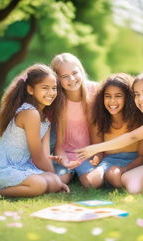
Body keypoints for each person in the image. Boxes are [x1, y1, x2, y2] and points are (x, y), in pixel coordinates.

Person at [0, 64, 70, 198]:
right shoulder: (29, 113)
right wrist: (53, 177)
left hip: (20, 165)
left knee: (54, 183)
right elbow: (37, 156)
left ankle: (40, 182)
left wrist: (55, 180)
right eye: (45, 88)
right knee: (40, 185)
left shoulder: (46, 121)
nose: (51, 93)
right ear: (30, 89)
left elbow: (45, 155)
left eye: (54, 88)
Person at [50, 52, 102, 188]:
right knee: (59, 181)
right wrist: (65, 161)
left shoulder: (95, 90)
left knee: (92, 183)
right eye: (64, 76)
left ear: (81, 71)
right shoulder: (58, 101)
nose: (71, 79)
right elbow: (59, 145)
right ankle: (70, 173)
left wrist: (98, 155)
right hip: (66, 154)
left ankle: (78, 173)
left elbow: (99, 132)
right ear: (57, 80)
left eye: (75, 73)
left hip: (90, 153)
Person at [89, 73, 143, 188]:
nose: (112, 101)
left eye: (118, 96)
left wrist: (124, 169)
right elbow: (99, 150)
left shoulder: (140, 121)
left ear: (128, 98)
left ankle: (122, 184)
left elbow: (142, 157)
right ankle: (112, 181)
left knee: (114, 174)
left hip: (133, 162)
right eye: (108, 96)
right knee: (92, 181)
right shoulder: (99, 120)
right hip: (108, 160)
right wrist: (97, 159)